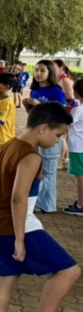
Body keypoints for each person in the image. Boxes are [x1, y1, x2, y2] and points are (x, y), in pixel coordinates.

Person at [0, 101, 80, 312]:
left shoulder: (10, 144)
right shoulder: (31, 156)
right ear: (43, 128)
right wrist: (20, 239)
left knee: (7, 275)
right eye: (58, 135)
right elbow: (18, 198)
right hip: (18, 225)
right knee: (69, 271)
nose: (58, 141)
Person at [23, 60, 66, 214]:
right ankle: (36, 201)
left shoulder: (55, 91)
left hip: (51, 136)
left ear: (50, 72)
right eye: (36, 70)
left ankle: (47, 205)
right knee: (37, 169)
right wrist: (28, 106)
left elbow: (61, 114)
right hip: (37, 135)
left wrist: (37, 104)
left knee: (48, 171)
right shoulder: (35, 90)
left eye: (42, 70)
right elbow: (36, 115)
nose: (38, 73)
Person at [65, 78, 83, 216]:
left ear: (76, 92)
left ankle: (81, 205)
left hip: (78, 147)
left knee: (80, 176)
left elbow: (67, 123)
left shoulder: (78, 109)